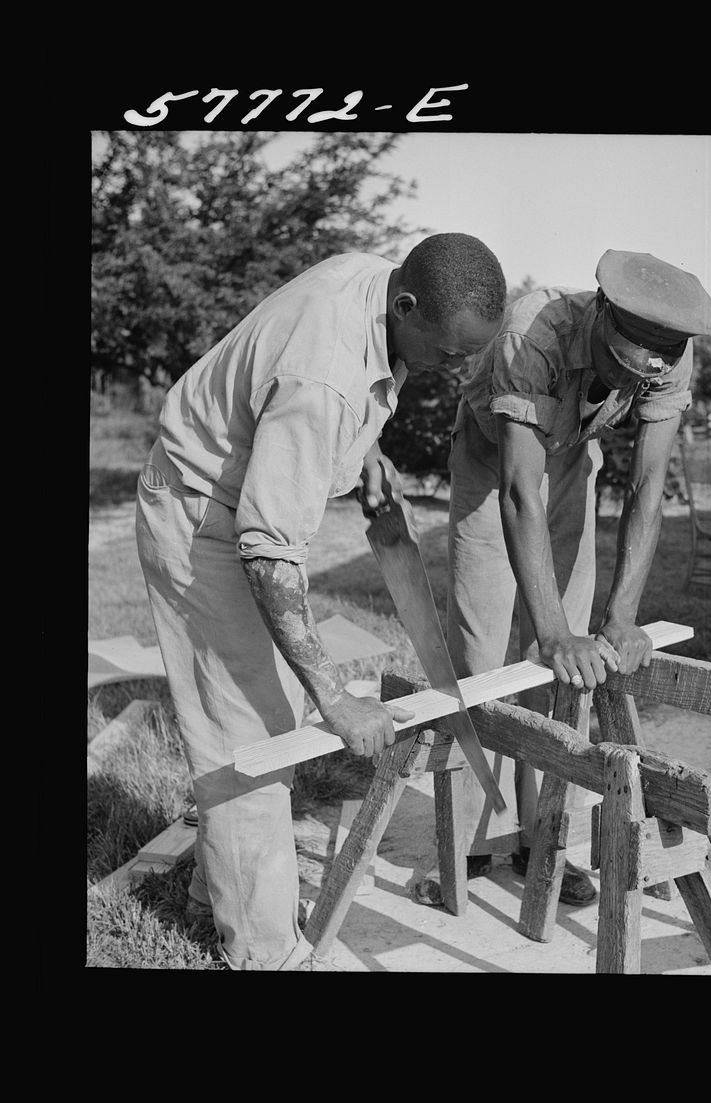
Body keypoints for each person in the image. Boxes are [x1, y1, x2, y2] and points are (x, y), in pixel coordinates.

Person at [135, 233, 507, 970]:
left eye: (470, 354)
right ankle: (267, 954)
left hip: (233, 502)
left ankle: (220, 896)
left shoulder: (380, 284)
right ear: (407, 305)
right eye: (448, 352)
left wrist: (364, 452)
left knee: (267, 715)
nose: (456, 368)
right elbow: (269, 549)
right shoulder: (325, 377)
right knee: (251, 738)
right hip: (201, 517)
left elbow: (339, 389)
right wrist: (335, 697)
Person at [439, 249, 711, 906]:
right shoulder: (533, 332)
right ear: (599, 316)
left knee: (565, 676)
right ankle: (476, 841)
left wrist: (620, 617)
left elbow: (648, 487)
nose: (638, 375)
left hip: (571, 459)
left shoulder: (672, 356)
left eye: (652, 366)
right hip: (492, 462)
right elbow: (518, 492)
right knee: (484, 657)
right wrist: (552, 632)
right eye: (625, 360)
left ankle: (543, 841)